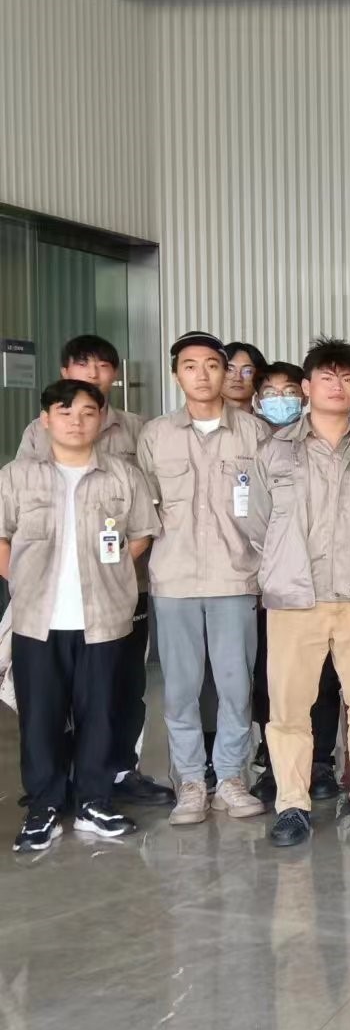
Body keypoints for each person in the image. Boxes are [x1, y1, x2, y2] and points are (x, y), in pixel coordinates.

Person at [242, 338, 350, 847]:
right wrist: (283, 565)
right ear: (306, 387)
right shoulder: (273, 452)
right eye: (327, 378)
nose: (338, 386)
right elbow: (256, 523)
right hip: (294, 599)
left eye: (347, 378)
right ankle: (292, 803)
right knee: (289, 709)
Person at [2, 380, 159, 850]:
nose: (77, 421)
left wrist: (111, 573)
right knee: (40, 718)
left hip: (104, 618)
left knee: (101, 714)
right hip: (37, 619)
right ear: (45, 420)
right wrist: (22, 580)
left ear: (101, 419)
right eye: (65, 412)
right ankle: (44, 806)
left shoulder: (122, 475)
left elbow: (142, 533)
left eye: (88, 412)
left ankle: (94, 801)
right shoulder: (16, 476)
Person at [138, 332, 271, 827]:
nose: (202, 374)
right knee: (180, 689)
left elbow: (271, 507)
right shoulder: (156, 435)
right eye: (190, 366)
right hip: (174, 580)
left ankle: (232, 777)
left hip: (236, 578)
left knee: (237, 686)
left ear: (226, 372)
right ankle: (191, 782)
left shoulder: (255, 433)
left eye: (213, 365)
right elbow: (144, 507)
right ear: (177, 374)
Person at [248, 357, 339, 805]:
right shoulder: (260, 447)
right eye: (271, 392)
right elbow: (256, 521)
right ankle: (276, 767)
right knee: (277, 683)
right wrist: (278, 566)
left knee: (326, 680)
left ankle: (320, 761)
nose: (280, 400)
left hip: (336, 586)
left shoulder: (336, 440)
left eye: (288, 392)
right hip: (281, 587)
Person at [255, 364, 305, 429]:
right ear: (257, 400)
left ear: (305, 398)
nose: (280, 397)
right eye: (270, 393)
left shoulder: (315, 431)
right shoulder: (248, 430)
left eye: (290, 392)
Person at [223, 342, 266, 411]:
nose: (238, 378)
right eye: (229, 370)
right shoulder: (205, 418)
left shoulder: (266, 419)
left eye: (247, 371)